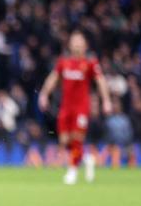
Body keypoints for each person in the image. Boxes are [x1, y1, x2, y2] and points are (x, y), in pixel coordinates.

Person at [38, 31, 112, 184]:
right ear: (70, 44)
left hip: (82, 108)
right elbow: (53, 78)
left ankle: (72, 171)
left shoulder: (90, 63)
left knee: (77, 139)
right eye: (74, 41)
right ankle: (87, 159)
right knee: (64, 140)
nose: (77, 44)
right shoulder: (63, 62)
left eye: (80, 41)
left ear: (85, 45)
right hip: (66, 108)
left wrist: (106, 100)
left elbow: (100, 81)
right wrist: (44, 94)